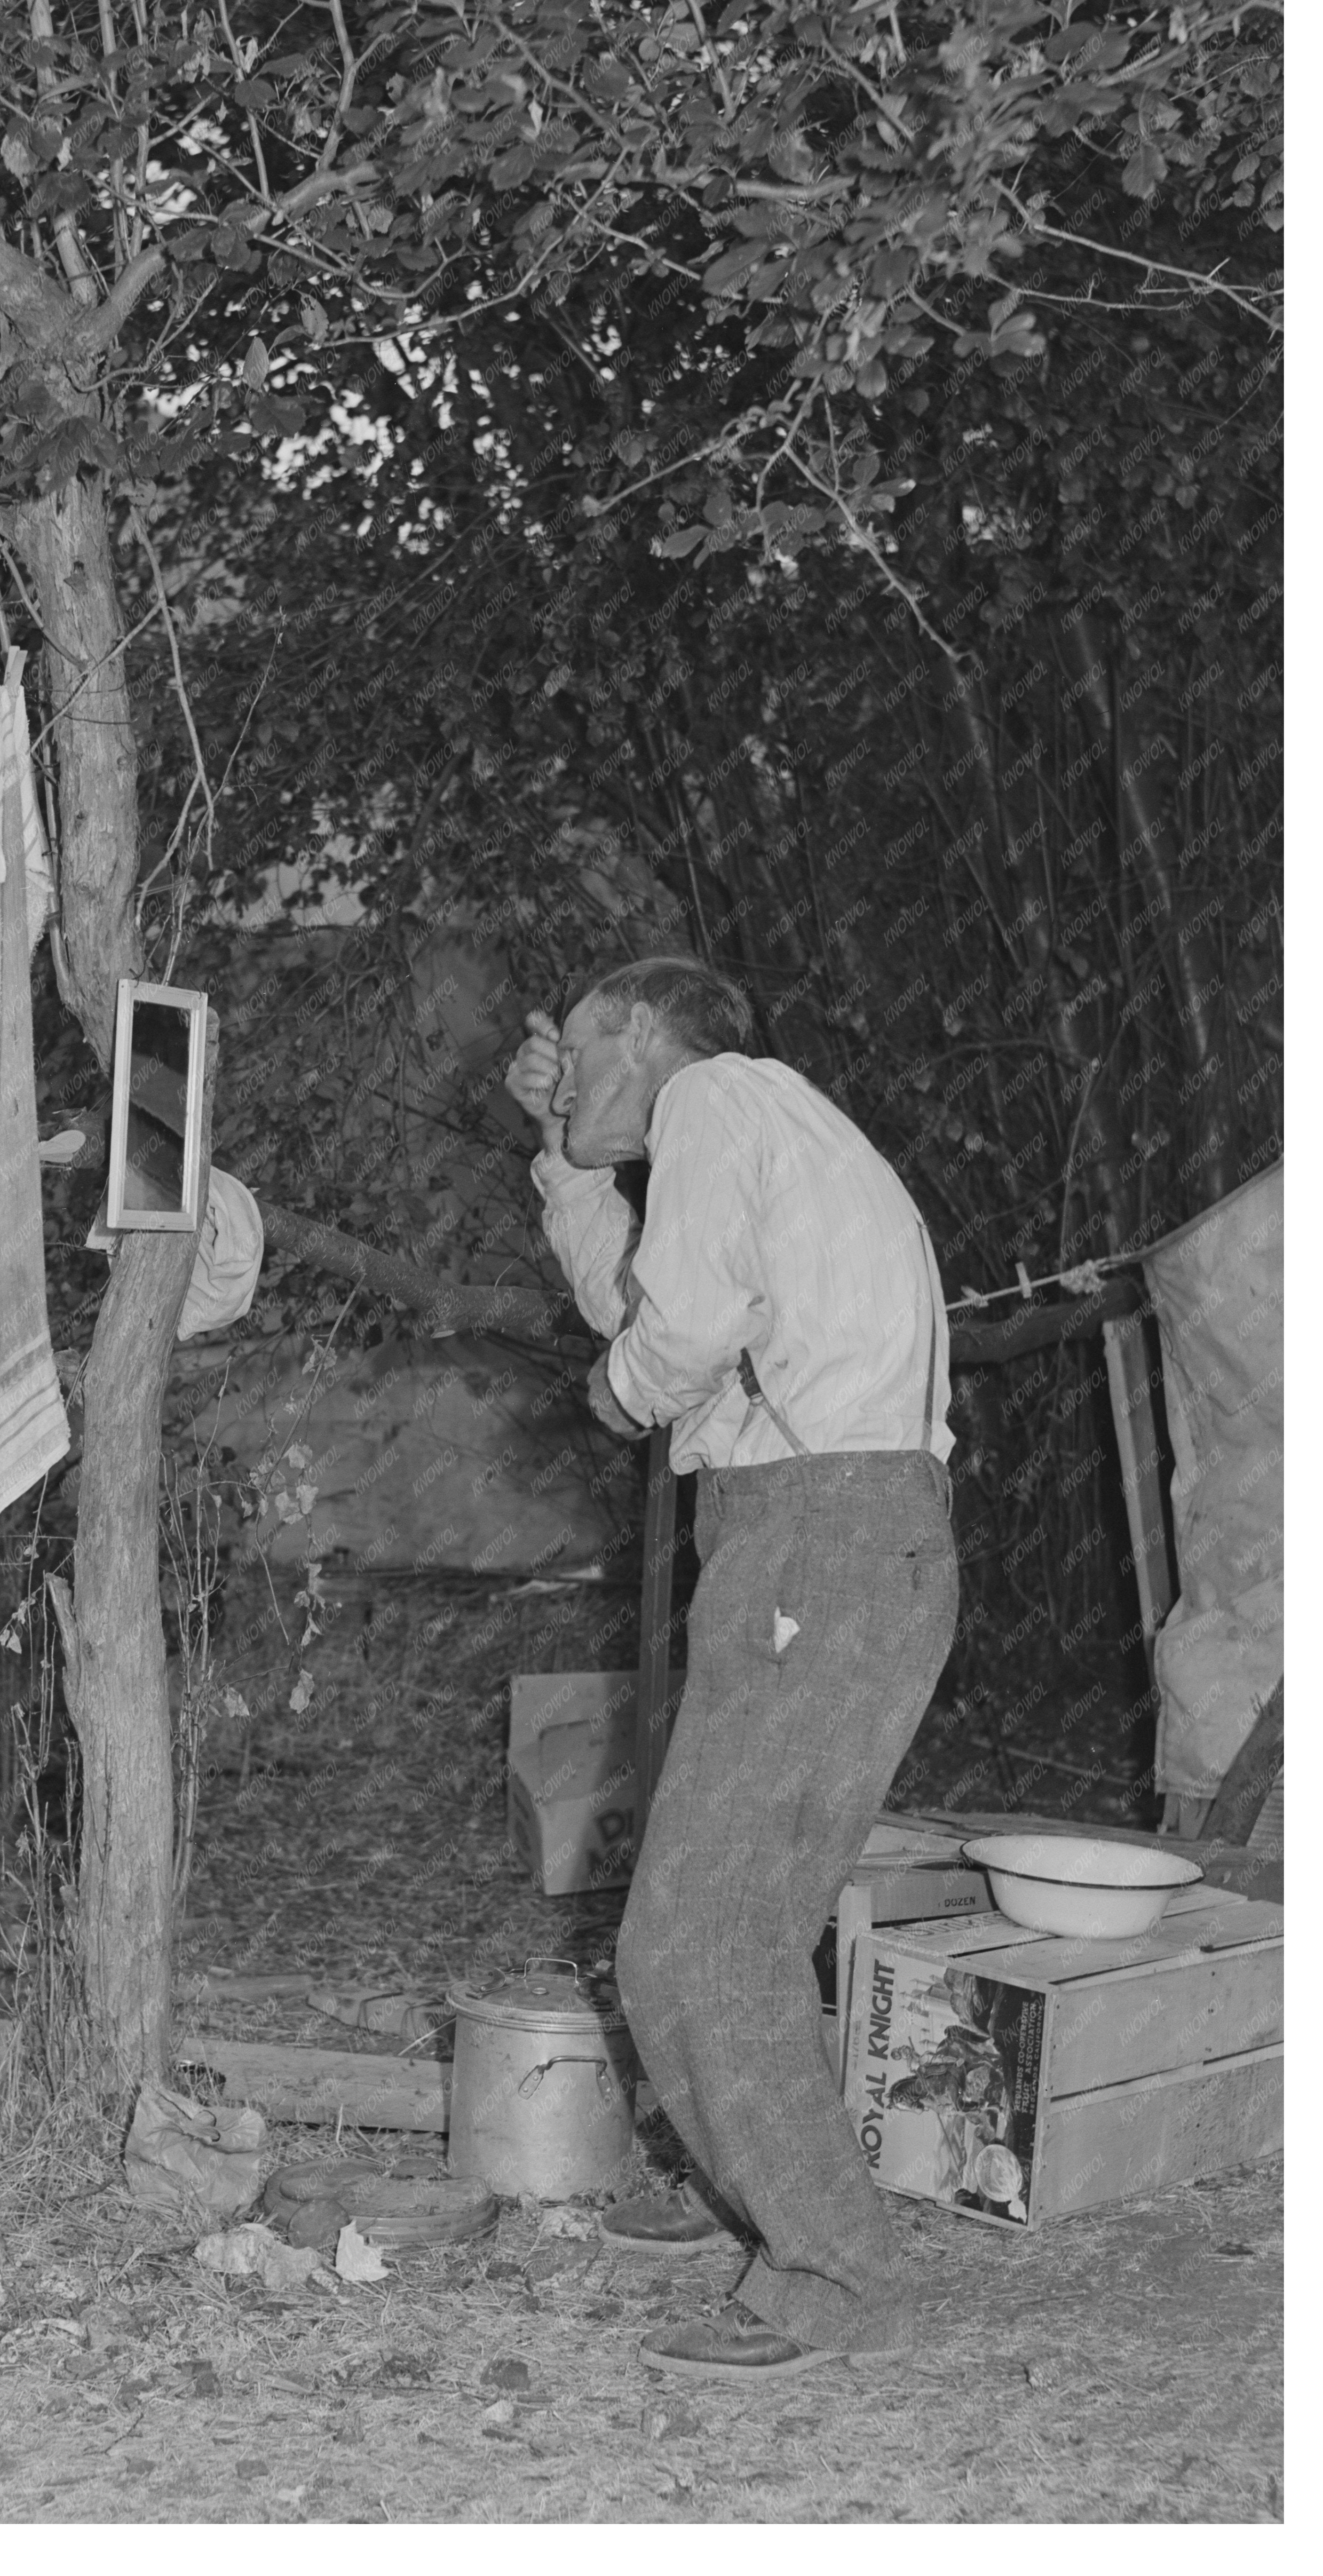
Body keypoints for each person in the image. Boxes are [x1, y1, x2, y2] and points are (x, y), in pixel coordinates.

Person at [504, 954, 959, 2381]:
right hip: (818, 1541)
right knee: (730, 1925)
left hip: (818, 1538)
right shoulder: (764, 1126)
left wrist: (618, 1396)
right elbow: (645, 1305)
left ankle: (838, 2276)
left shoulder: (713, 1096)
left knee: (693, 1935)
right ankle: (763, 2206)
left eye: (576, 1044)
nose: (561, 1069)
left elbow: (666, 1346)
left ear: (644, 1027)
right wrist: (559, 1154)